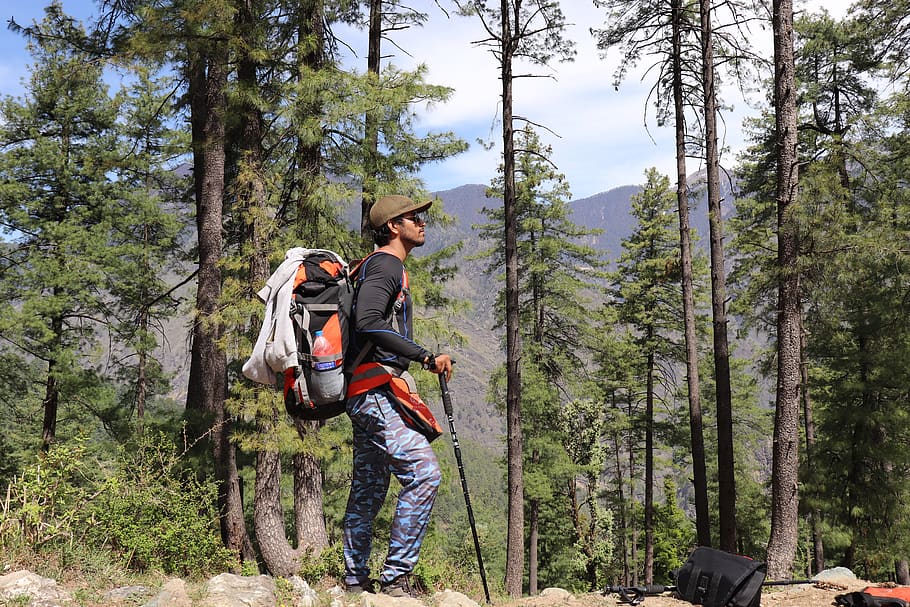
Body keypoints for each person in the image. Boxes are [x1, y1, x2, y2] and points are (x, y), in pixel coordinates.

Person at [343, 194, 454, 597]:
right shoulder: (386, 265)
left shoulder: (375, 266)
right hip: (374, 390)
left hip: (366, 389)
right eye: (414, 217)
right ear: (394, 226)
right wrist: (424, 356)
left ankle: (355, 580)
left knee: (369, 485)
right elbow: (368, 320)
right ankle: (395, 578)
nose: (422, 223)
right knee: (423, 473)